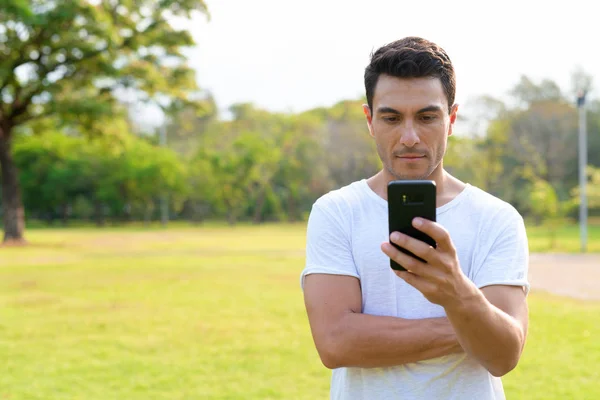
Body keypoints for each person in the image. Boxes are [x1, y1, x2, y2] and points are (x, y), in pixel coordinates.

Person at [300, 36, 529, 400]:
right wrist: (469, 327)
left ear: (451, 119)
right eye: (392, 117)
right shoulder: (337, 211)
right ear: (370, 120)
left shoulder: (497, 218)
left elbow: (502, 355)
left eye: (427, 117)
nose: (409, 137)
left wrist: (457, 291)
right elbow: (336, 343)